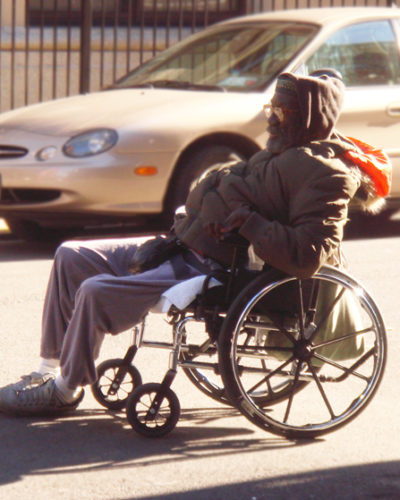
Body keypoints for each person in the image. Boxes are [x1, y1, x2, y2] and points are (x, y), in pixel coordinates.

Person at [0, 69, 386, 416]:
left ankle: (66, 390)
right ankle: (45, 370)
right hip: (184, 244)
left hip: (216, 268)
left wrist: (250, 223)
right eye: (271, 107)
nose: (271, 118)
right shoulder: (278, 154)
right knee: (71, 254)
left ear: (306, 119)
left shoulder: (326, 175)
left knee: (96, 290)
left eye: (281, 112)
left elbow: (308, 255)